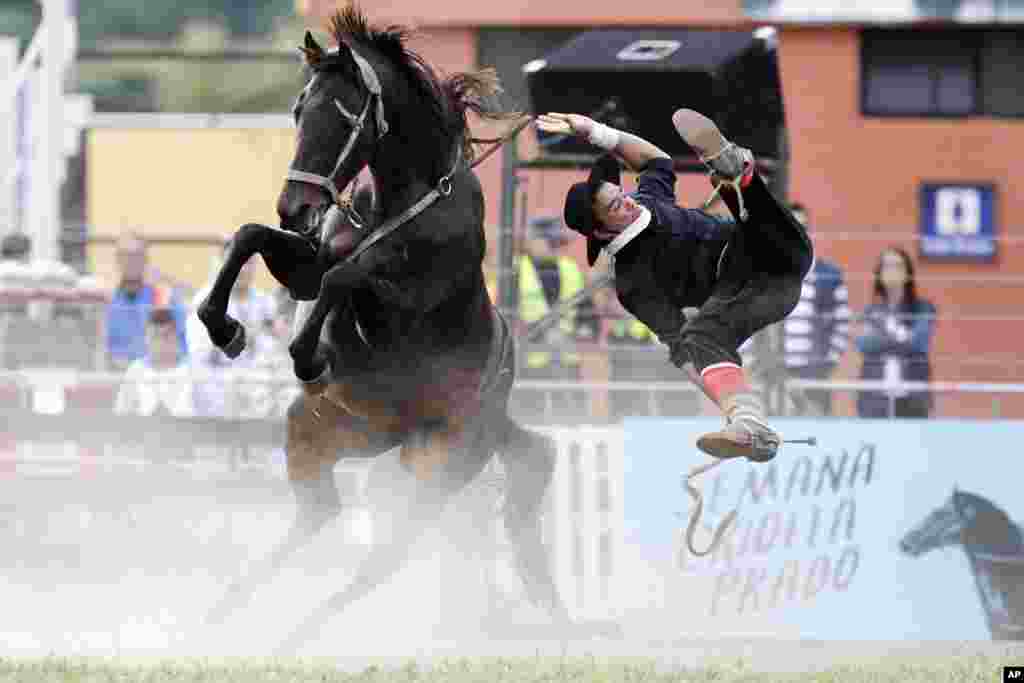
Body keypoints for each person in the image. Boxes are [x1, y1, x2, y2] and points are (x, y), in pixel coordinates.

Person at [539, 108, 813, 462]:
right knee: (699, 337)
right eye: (615, 206)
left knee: (747, 213)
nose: (626, 200)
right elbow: (681, 349)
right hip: (758, 294)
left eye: (618, 192)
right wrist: (725, 404)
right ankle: (749, 423)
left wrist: (595, 131)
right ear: (602, 232)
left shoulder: (648, 199)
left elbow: (656, 161)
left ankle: (733, 171)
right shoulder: (633, 283)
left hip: (775, 250)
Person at [515, 215, 589, 419]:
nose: (556, 247)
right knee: (531, 417)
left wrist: (580, 331)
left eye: (557, 242)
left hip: (566, 361)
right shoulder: (516, 270)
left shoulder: (571, 268)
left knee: (571, 418)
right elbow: (505, 314)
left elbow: (587, 315)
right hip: (531, 360)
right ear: (534, 241)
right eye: (551, 241)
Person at [783, 203, 851, 416]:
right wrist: (757, 367)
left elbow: (843, 322)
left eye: (801, 226)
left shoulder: (829, 276)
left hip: (815, 375)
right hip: (776, 378)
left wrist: (827, 363)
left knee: (815, 436)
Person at [854, 247, 937, 419]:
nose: (891, 270)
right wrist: (902, 337)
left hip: (912, 397)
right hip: (875, 398)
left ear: (907, 274)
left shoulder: (923, 309)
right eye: (886, 266)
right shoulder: (870, 312)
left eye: (897, 265)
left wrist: (881, 337)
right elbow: (863, 344)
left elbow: (919, 342)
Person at [105, 232, 189, 371]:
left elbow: (183, 349)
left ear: (146, 260)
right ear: (117, 260)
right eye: (125, 256)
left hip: (157, 380)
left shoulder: (165, 298)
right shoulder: (107, 303)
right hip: (118, 378)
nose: (130, 262)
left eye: (136, 256)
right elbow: (103, 353)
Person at [114, 307, 196, 418]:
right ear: (146, 338)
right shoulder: (136, 370)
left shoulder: (192, 369)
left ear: (175, 336)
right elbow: (122, 412)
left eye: (166, 336)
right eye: (155, 336)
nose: (160, 342)